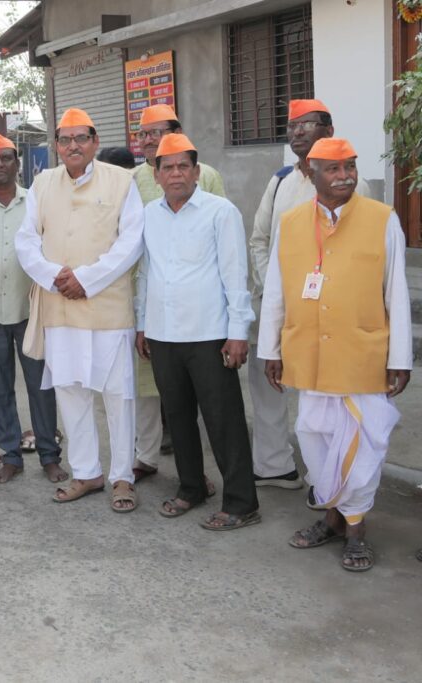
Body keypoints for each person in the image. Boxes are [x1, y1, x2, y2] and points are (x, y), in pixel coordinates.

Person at [259, 138, 411, 571]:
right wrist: (271, 347)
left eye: (350, 167)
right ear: (310, 172)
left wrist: (399, 357)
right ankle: (331, 517)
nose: (345, 176)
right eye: (334, 169)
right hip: (309, 354)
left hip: (361, 354)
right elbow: (276, 290)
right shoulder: (289, 223)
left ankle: (356, 530)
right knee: (315, 438)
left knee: (362, 445)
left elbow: (396, 292)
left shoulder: (383, 219)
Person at [15, 108, 143, 512]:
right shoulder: (41, 183)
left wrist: (86, 279)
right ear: (56, 145)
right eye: (65, 140)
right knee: (70, 390)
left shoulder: (123, 181)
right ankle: (86, 472)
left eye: (80, 139)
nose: (73, 146)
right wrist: (54, 276)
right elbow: (25, 241)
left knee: (118, 394)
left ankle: (123, 476)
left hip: (106, 307)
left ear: (95, 142)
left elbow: (131, 242)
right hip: (60, 307)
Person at [135, 133, 260, 530]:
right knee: (179, 416)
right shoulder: (149, 215)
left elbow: (235, 274)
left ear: (196, 170)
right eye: (167, 167)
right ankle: (191, 487)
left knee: (223, 419)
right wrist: (142, 325)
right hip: (162, 333)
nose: (175, 174)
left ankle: (242, 503)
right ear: (155, 175)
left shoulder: (221, 212)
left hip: (209, 334)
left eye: (182, 166)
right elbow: (145, 273)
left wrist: (238, 332)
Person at [248, 100, 371, 491]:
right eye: (292, 126)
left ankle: (329, 484)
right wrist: (277, 291)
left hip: (331, 313)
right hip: (281, 306)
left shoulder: (351, 183)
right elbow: (260, 240)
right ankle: (274, 466)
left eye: (307, 125)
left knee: (322, 401)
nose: (297, 132)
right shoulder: (280, 180)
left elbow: (364, 254)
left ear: (328, 130)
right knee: (268, 384)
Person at [0, 133, 65, 484]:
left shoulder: (36, 204)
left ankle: (49, 455)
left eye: (6, 158)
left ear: (17, 164)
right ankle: (11, 456)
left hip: (32, 313)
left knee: (41, 386)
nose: (0, 164)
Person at [130, 104, 227, 485]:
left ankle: (203, 472)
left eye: (157, 131)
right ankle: (146, 456)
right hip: (150, 298)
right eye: (143, 133)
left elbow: (225, 242)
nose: (149, 139)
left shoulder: (210, 177)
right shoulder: (131, 180)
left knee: (198, 393)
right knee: (145, 383)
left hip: (201, 308)